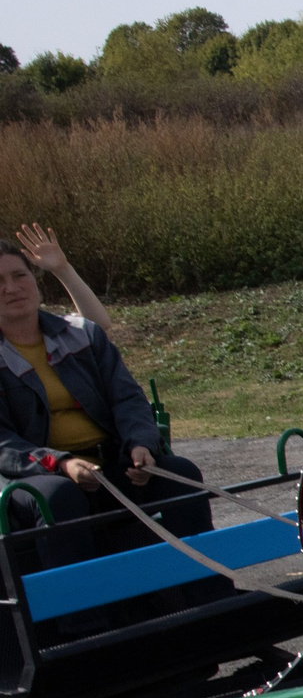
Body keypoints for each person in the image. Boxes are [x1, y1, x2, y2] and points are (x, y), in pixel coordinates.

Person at [0, 230, 212, 577]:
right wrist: (62, 464)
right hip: (34, 481)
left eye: (19, 275)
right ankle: (83, 622)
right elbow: (4, 446)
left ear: (36, 283)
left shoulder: (82, 335)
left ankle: (208, 591)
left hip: (109, 468)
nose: (11, 288)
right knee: (58, 498)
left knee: (180, 474)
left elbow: (127, 397)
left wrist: (141, 445)